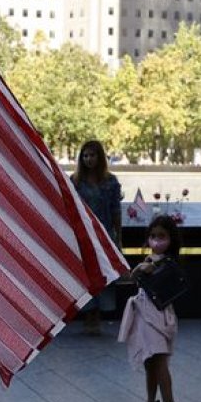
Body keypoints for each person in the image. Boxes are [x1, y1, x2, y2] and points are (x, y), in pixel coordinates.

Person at [118, 215, 183, 402]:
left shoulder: (170, 264)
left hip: (159, 319)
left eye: (162, 236)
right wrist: (139, 269)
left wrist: (148, 270)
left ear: (171, 238)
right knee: (150, 363)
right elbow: (130, 278)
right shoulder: (148, 261)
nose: (156, 240)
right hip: (145, 318)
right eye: (153, 236)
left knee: (160, 361)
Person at [71, 140, 122, 334]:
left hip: (105, 235)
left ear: (100, 157)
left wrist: (118, 236)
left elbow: (116, 210)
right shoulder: (75, 181)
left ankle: (99, 314)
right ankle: (88, 314)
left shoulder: (111, 181)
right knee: (86, 277)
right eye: (85, 156)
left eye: (92, 155)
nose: (89, 159)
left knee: (104, 275)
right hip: (83, 237)